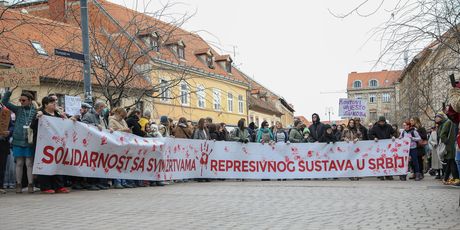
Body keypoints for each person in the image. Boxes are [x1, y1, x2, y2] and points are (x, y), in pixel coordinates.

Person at [30, 96, 70, 194]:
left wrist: (64, 117)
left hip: (56, 144)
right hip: (43, 145)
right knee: (45, 164)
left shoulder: (57, 114)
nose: (54, 104)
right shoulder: (40, 114)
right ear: (45, 105)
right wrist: (37, 117)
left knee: (57, 163)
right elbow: (32, 126)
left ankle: (59, 186)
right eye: (52, 103)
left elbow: (66, 125)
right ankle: (45, 187)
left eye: (55, 102)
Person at [1, 89, 36, 193]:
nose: (21, 102)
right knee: (19, 163)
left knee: (29, 163)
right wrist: (9, 92)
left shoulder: (35, 111)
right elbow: (5, 102)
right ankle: (18, 184)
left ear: (30, 100)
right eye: (20, 100)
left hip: (29, 140)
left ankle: (30, 184)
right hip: (17, 139)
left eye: (24, 100)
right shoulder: (18, 109)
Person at [81, 101, 109, 190]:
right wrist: (95, 125)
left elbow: (104, 127)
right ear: (100, 107)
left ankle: (97, 182)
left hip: (98, 143)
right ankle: (90, 183)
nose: (104, 110)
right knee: (91, 163)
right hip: (90, 143)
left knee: (97, 163)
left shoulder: (100, 116)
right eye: (103, 107)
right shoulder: (88, 115)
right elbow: (84, 125)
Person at [108, 107, 132, 189]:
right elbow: (113, 132)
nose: (122, 118)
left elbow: (127, 129)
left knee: (124, 163)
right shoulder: (112, 120)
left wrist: (128, 130)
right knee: (117, 163)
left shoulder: (123, 121)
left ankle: (124, 181)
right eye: (122, 116)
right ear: (117, 114)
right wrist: (124, 130)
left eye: (123, 117)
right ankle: (117, 182)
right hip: (116, 144)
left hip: (124, 144)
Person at [368, 116, 396, 180]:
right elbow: (370, 134)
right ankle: (381, 174)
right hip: (379, 146)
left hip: (387, 146)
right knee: (380, 160)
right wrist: (374, 138)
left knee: (388, 160)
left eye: (383, 122)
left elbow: (393, 132)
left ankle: (388, 175)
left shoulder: (389, 126)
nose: (382, 123)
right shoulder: (375, 127)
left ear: (384, 121)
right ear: (379, 121)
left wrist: (393, 136)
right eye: (381, 122)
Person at [436, 113, 459, 185]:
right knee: (452, 161)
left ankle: (445, 178)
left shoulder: (453, 122)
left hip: (453, 145)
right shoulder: (449, 122)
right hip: (451, 146)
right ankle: (456, 178)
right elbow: (442, 135)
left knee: (450, 161)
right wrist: (448, 143)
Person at [0, 100, 13, 194]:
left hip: (3, 142)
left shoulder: (6, 110)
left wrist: (9, 132)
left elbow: (12, 126)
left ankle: (0, 185)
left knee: (2, 164)